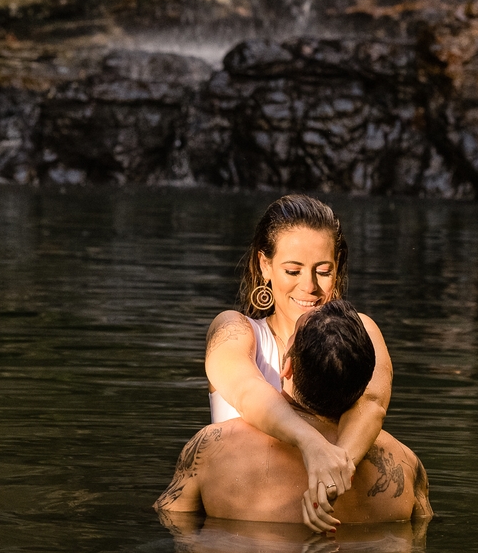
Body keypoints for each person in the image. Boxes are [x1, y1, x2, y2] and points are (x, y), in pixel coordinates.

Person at [204, 194, 393, 531]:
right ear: (265, 265)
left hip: (336, 524)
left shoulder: (362, 332)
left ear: (337, 267)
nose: (309, 287)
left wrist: (333, 477)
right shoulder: (233, 329)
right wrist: (312, 445)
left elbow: (373, 402)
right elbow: (247, 391)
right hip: (242, 531)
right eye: (293, 270)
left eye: (324, 271)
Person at [160, 300, 431, 525]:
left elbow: (171, 525)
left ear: (286, 367)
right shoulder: (406, 467)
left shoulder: (212, 450)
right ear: (364, 382)